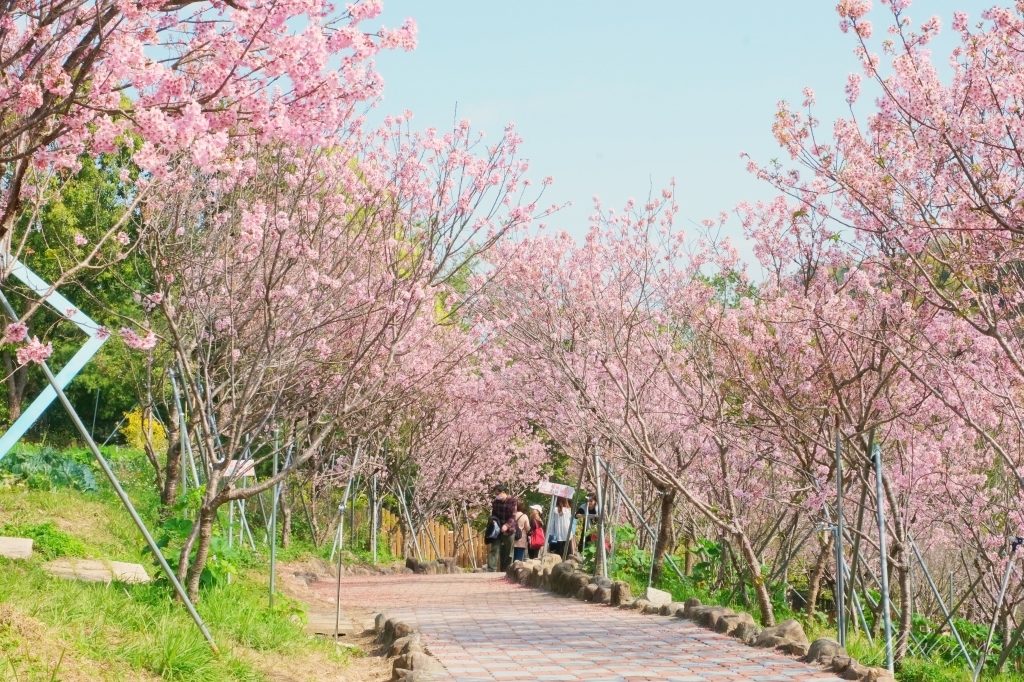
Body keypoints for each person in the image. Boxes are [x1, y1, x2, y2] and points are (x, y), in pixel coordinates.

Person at [487, 484, 516, 571]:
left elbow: (513, 516)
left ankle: (507, 570)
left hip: (509, 530)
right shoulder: (495, 502)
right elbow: (494, 515)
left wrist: (506, 526)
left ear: (503, 492)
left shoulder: (512, 501)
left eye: (497, 494)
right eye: (495, 494)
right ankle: (491, 569)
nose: (496, 496)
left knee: (509, 552)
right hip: (497, 530)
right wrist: (494, 520)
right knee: (494, 549)